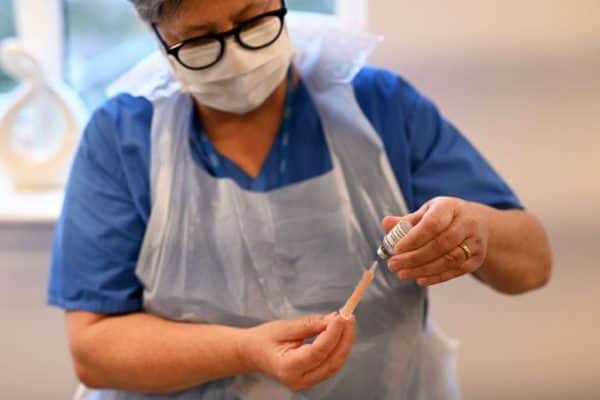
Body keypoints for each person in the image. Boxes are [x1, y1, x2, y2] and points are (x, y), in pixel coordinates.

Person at [48, 1, 552, 399]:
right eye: (200, 41)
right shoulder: (123, 138)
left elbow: (532, 265)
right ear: (159, 38)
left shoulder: (379, 108)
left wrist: (476, 232)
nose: (237, 55)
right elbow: (94, 349)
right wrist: (246, 350)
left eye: (252, 19)